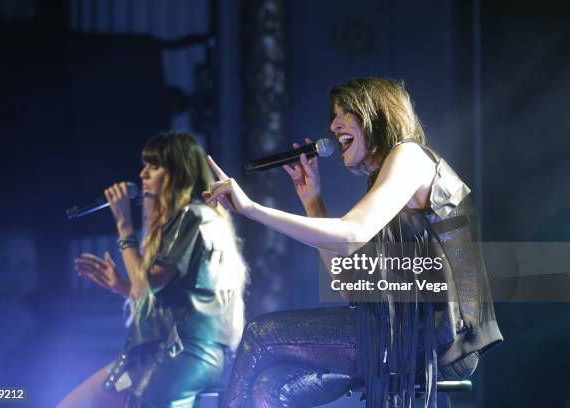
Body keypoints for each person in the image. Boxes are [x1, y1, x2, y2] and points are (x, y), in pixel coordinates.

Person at [204, 77, 503, 407]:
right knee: (269, 386)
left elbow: (349, 235)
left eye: (345, 113)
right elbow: (350, 286)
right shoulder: (389, 181)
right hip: (412, 331)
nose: (333, 126)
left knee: (261, 335)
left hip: (439, 336)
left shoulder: (410, 156)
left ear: (375, 113)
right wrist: (313, 202)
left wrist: (251, 209)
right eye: (334, 116)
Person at [57, 132, 248, 408]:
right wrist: (121, 286)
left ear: (178, 173)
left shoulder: (193, 217)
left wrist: (124, 224)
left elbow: (145, 285)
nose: (143, 174)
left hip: (187, 353)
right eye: (144, 165)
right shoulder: (191, 218)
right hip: (163, 350)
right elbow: (168, 295)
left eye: (154, 166)